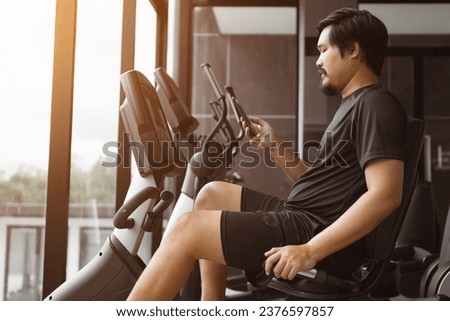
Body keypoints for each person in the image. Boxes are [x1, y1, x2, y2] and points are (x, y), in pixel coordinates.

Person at [127, 7, 407, 301]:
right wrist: (274, 145)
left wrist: (310, 250)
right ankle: (212, 307)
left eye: (324, 50)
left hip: (314, 232)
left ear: (352, 50)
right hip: (305, 216)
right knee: (211, 195)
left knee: (186, 229)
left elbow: (386, 194)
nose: (318, 61)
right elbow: (318, 185)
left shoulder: (375, 105)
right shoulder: (353, 104)